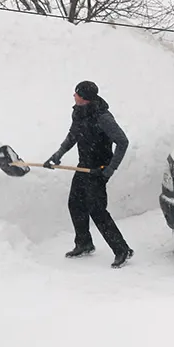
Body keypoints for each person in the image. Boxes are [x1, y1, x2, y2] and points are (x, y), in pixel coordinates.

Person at [45, 80, 134, 268]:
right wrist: (58, 154)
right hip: (84, 165)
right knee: (75, 203)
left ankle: (122, 249)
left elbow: (122, 141)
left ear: (84, 98)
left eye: (76, 93)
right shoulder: (79, 112)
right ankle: (84, 243)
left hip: (98, 170)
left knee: (97, 210)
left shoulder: (103, 118)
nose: (74, 96)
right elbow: (73, 135)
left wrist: (110, 169)